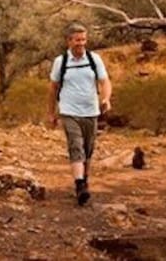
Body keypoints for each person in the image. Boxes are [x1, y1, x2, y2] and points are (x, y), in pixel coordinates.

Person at [47, 22, 112, 205]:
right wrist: (51, 113)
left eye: (83, 39)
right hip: (69, 111)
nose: (81, 43)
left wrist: (106, 98)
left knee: (88, 149)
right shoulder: (61, 62)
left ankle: (84, 181)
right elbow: (53, 89)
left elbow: (105, 82)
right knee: (76, 146)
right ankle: (79, 184)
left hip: (91, 111)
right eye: (77, 40)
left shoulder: (94, 59)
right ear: (69, 41)